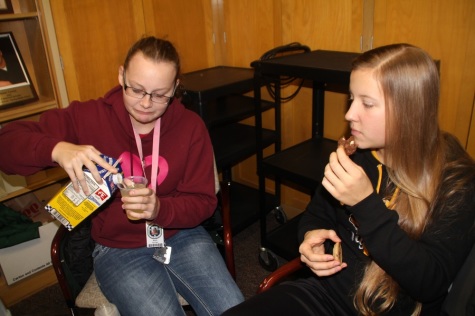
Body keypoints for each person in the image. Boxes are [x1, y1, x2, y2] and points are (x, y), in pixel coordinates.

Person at [222, 43, 475, 315]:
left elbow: (430, 284)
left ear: (409, 111)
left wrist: (365, 203)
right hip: (324, 294)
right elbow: (316, 214)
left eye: (366, 103)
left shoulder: (456, 182)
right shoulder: (356, 153)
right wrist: (310, 237)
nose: (349, 114)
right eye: (351, 98)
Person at [0, 36, 243, 316]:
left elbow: (202, 202)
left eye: (160, 94)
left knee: (233, 309)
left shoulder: (190, 126)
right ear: (121, 76)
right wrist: (56, 148)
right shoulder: (87, 117)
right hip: (118, 249)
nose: (146, 104)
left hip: (181, 235)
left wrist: (159, 208)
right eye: (136, 89)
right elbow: (7, 144)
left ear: (176, 87)